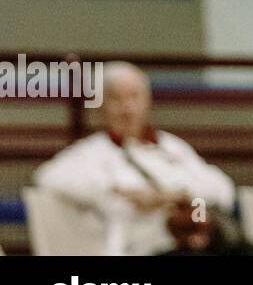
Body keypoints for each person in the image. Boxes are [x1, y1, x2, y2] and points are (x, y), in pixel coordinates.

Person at [33, 61, 237, 255]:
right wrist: (119, 191)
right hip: (135, 249)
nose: (127, 108)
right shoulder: (90, 152)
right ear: (101, 105)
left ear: (147, 102)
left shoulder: (172, 147)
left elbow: (222, 189)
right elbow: (47, 177)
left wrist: (175, 195)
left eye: (134, 97)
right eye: (116, 98)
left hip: (189, 242)